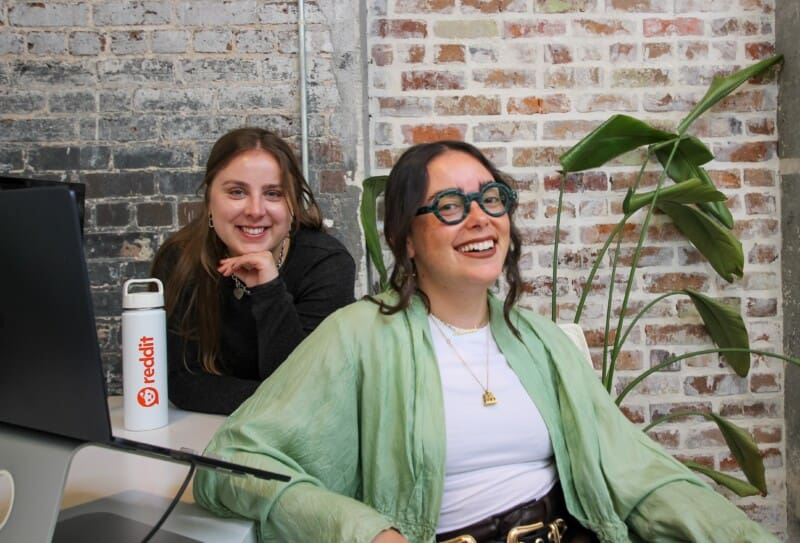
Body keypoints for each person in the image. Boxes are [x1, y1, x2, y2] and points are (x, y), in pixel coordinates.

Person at [192, 140, 778, 542]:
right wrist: (366, 532)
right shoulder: (358, 337)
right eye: (449, 206)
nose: (479, 218)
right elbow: (230, 464)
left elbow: (640, 473)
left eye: (490, 199)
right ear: (408, 239)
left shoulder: (542, 343)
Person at [150, 127, 355, 415]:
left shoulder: (325, 264)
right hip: (206, 430)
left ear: (293, 205)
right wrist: (277, 397)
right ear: (210, 200)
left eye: (273, 193)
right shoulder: (180, 260)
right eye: (237, 192)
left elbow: (308, 389)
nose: (256, 210)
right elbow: (182, 380)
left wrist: (269, 289)